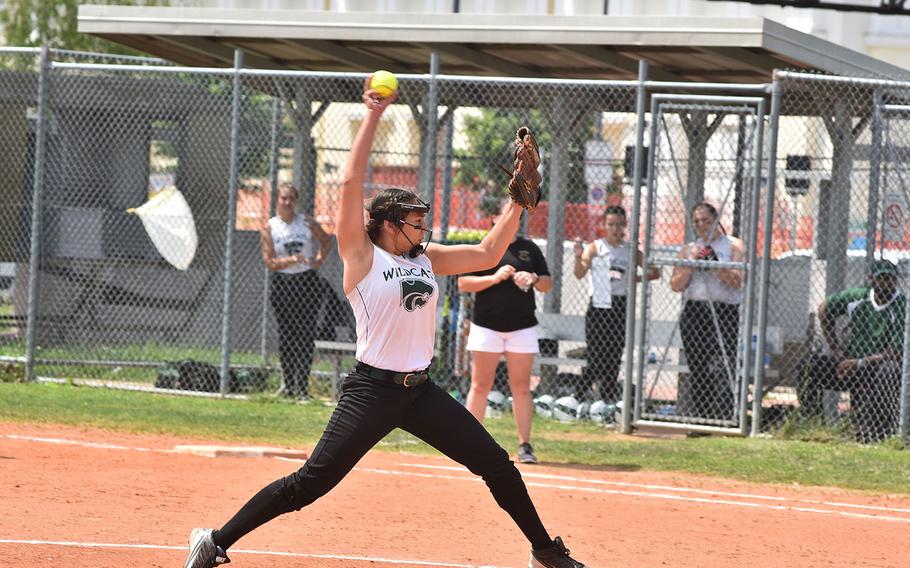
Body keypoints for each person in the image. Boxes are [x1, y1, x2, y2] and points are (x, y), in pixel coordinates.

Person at [183, 77, 588, 568]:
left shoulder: (427, 257)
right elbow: (352, 185)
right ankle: (215, 541)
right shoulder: (361, 256)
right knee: (310, 483)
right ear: (389, 224)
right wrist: (373, 114)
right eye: (415, 220)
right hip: (371, 392)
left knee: (497, 467)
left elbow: (487, 251)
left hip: (421, 392)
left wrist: (518, 204)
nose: (423, 227)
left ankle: (545, 551)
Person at [458, 196, 552, 465]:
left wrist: (532, 279)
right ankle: (468, 443)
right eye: (507, 214)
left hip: (521, 326)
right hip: (486, 325)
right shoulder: (483, 246)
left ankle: (525, 445)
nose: (513, 220)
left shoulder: (529, 249)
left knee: (521, 387)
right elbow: (464, 283)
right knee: (480, 384)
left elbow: (547, 283)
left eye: (516, 215)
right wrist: (495, 277)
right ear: (494, 219)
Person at [797, 259, 905, 443]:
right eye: (882, 279)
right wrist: (836, 349)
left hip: (879, 367)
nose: (886, 284)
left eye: (890, 279)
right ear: (871, 279)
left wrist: (860, 362)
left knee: (890, 369)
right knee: (808, 365)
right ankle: (813, 423)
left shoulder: (902, 306)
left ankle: (877, 434)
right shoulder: (859, 297)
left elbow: (897, 352)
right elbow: (824, 309)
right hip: (851, 365)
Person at [572, 205, 660, 405]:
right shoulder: (596, 247)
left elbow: (654, 272)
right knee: (596, 355)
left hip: (620, 304)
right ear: (604, 225)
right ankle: (578, 395)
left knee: (614, 354)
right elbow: (579, 273)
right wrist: (578, 256)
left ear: (625, 226)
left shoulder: (629, 251)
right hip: (600, 302)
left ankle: (608, 399)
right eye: (611, 224)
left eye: (620, 224)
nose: (615, 229)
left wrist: (633, 279)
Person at [669, 202, 744, 421]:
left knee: (722, 364)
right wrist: (691, 264)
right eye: (697, 222)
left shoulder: (733, 245)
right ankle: (702, 417)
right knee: (698, 365)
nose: (702, 225)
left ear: (716, 220)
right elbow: (675, 285)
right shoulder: (688, 248)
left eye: (706, 220)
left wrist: (715, 265)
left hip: (724, 311)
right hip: (695, 311)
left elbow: (737, 281)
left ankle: (726, 417)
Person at [260, 183, 332, 399]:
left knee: (305, 335)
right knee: (287, 335)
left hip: (306, 282)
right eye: (284, 198)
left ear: (296, 201)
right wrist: (291, 260)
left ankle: (302, 387)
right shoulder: (270, 227)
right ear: (277, 200)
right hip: (283, 284)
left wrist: (318, 260)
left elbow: (326, 241)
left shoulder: (307, 223)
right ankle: (288, 385)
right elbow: (269, 262)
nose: (287, 202)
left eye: (291, 198)